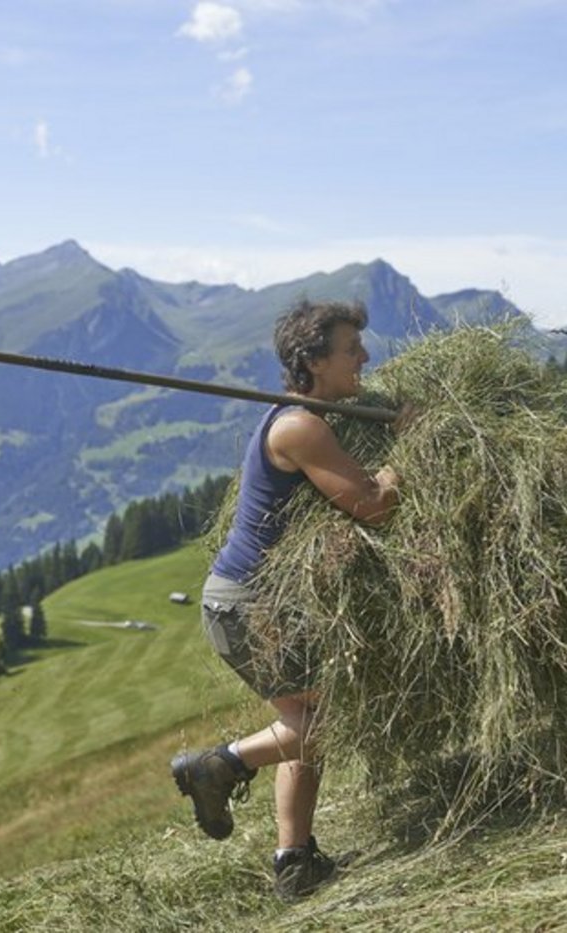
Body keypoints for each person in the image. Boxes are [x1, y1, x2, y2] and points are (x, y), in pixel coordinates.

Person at [171, 297, 405, 902]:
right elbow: (374, 507)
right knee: (330, 721)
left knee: (306, 723)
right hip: (249, 606)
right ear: (314, 361)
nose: (365, 356)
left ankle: (293, 862)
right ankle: (220, 764)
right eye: (352, 349)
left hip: (258, 603)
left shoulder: (313, 414)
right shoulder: (299, 425)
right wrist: (406, 454)